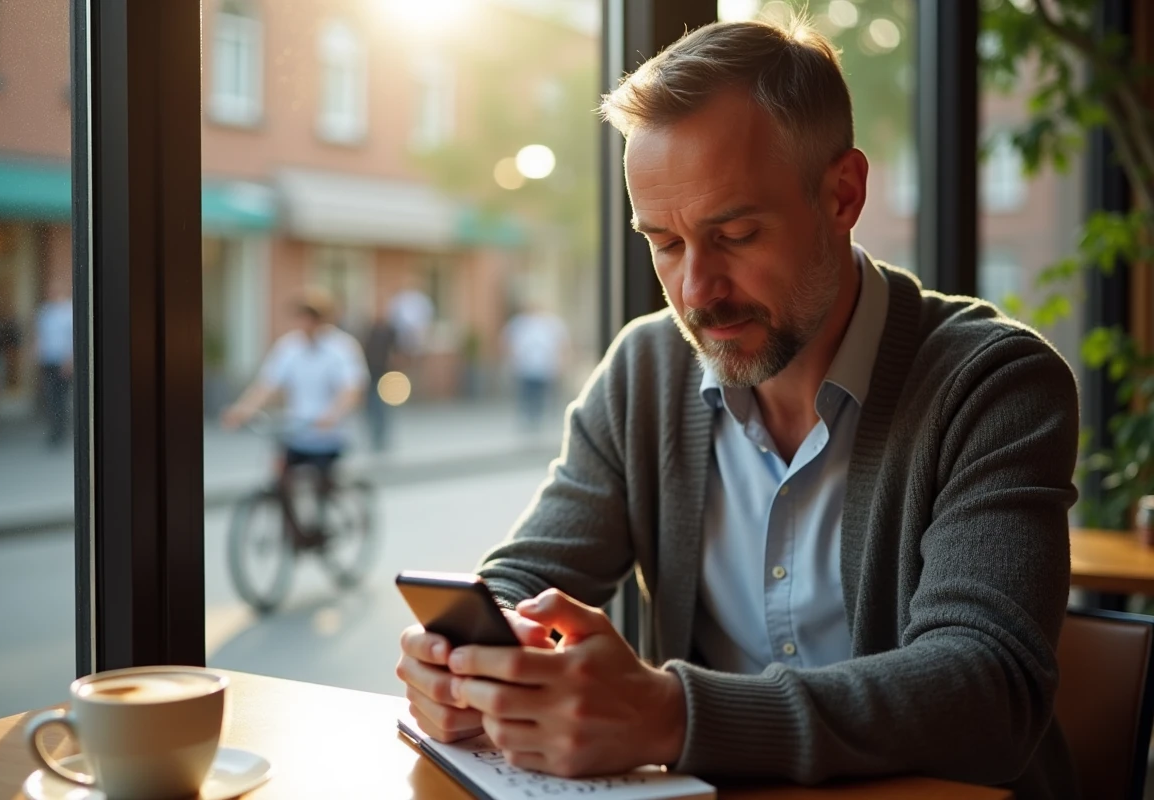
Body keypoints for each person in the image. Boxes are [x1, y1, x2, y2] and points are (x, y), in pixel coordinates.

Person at [396, 18, 1079, 800]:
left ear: (842, 195)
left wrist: (673, 715)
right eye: (666, 243)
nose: (696, 292)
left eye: (737, 233)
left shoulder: (993, 384)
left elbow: (987, 692)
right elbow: (528, 575)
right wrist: (468, 665)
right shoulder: (645, 371)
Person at [223, 286, 369, 488]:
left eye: (312, 317)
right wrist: (242, 409)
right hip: (296, 431)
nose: (306, 322)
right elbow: (266, 384)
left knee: (322, 486)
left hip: (328, 434)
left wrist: (333, 414)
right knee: (281, 482)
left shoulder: (342, 348)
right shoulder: (289, 347)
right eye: (302, 316)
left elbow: (352, 389)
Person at [501, 303, 569, 430]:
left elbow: (561, 343)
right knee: (526, 393)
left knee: (540, 394)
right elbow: (508, 341)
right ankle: (528, 419)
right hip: (524, 366)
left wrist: (561, 362)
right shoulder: (519, 323)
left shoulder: (550, 323)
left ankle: (537, 418)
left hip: (544, 366)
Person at [34, 280, 74, 448]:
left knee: (61, 397)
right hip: (48, 359)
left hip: (62, 360)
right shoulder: (45, 311)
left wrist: (69, 360)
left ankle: (60, 431)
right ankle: (53, 431)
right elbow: (40, 335)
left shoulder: (69, 311)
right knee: (51, 397)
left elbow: (71, 338)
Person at [361, 308, 398, 452]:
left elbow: (395, 352)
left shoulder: (390, 332)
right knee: (371, 407)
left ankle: (381, 436)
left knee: (382, 407)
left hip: (385, 374)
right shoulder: (370, 331)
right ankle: (374, 436)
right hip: (371, 373)